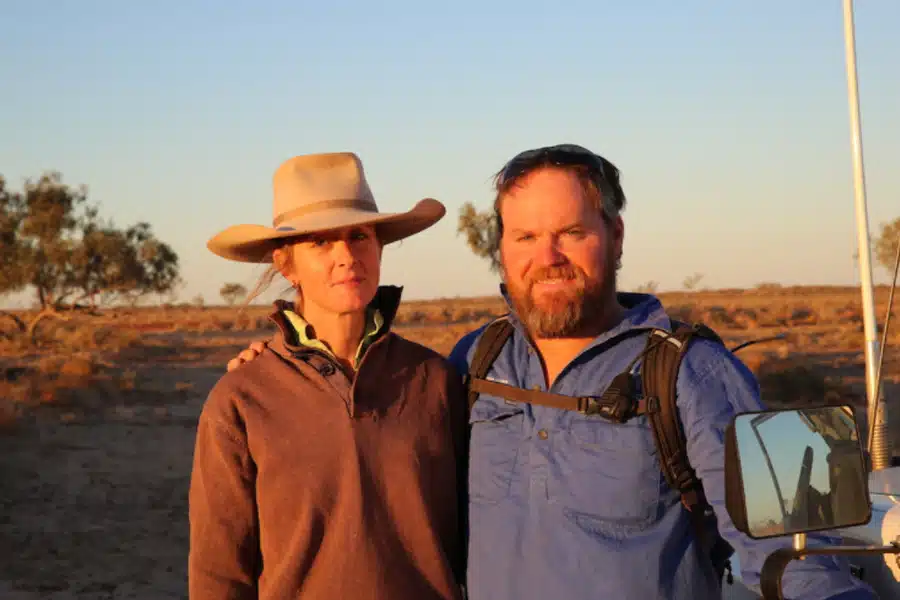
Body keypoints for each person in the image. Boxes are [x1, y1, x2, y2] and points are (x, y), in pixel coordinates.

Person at [226, 144, 877, 599]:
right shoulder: (470, 362)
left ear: (616, 235)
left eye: (570, 232)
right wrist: (277, 364)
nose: (549, 257)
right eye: (525, 237)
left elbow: (807, 551)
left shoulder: (701, 367)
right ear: (501, 249)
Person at [190, 152, 468, 600]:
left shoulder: (434, 379)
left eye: (359, 236)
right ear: (286, 264)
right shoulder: (240, 400)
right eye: (320, 241)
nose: (347, 256)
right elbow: (219, 572)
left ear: (378, 246)